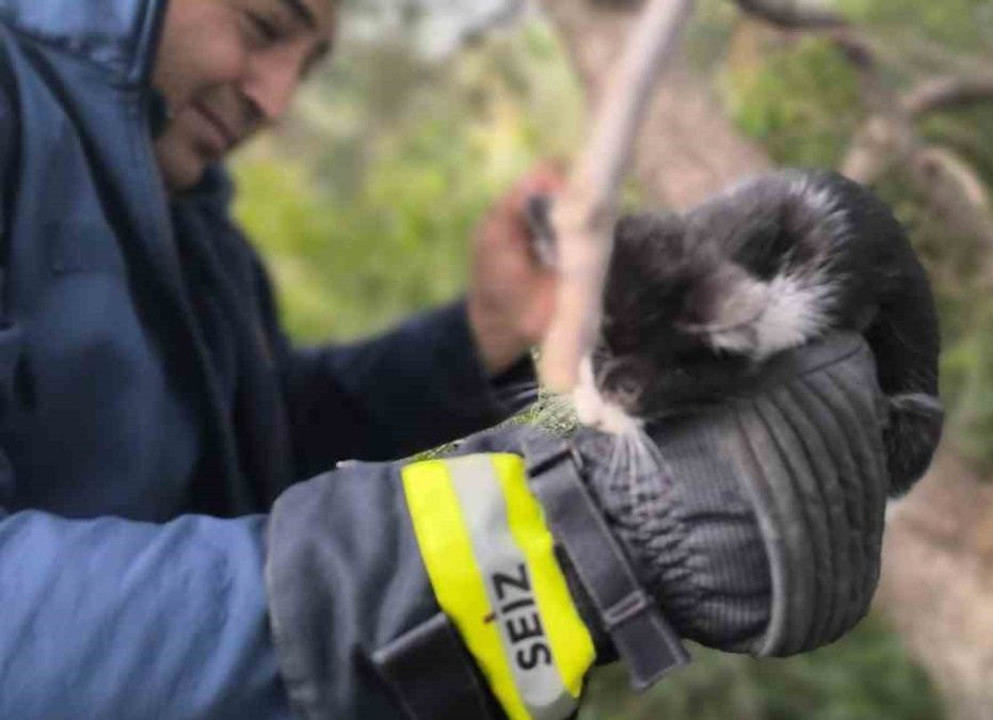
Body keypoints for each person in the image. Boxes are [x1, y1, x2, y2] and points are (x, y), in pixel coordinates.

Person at [0, 0, 905, 718]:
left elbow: (260, 462)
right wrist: (549, 546)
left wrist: (479, 334)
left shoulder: (198, 237)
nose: (277, 99)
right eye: (264, 27)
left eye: (308, 69)